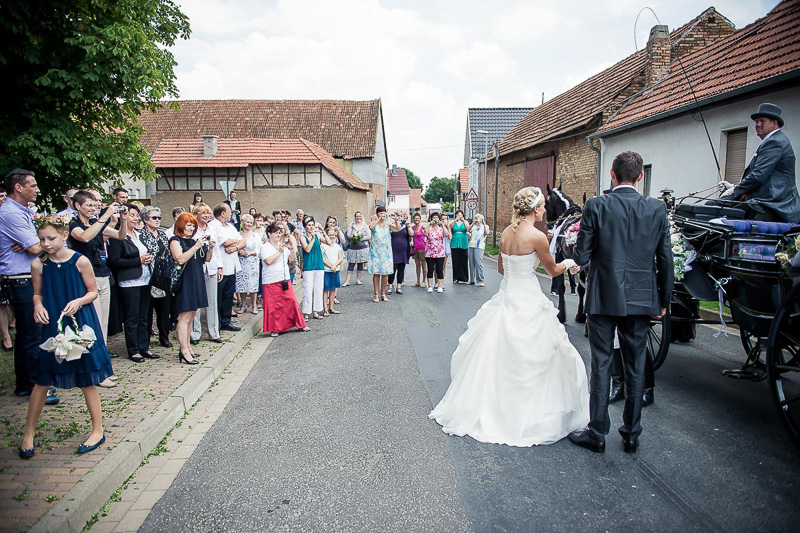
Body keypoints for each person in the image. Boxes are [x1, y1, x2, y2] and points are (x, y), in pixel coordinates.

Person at [429, 186, 588, 446]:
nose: (546, 210)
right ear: (535, 209)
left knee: (497, 353)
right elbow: (553, 271)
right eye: (543, 206)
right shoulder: (538, 236)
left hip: (507, 296)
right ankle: (524, 412)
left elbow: (502, 269)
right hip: (527, 298)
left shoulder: (505, 233)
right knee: (535, 354)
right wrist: (570, 264)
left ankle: (492, 404)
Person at [570, 151, 673, 454]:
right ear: (640, 177)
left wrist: (580, 251)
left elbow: (582, 256)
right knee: (636, 363)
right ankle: (631, 433)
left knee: (601, 363)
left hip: (603, 296)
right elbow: (665, 259)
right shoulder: (657, 209)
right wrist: (663, 299)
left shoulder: (596, 206)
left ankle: (597, 432)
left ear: (612, 175)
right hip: (642, 297)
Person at [19, 215, 114, 458]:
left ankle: (97, 429)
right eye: (41, 239)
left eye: (51, 238)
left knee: (86, 377)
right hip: (54, 324)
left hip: (79, 322)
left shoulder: (80, 261)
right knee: (43, 379)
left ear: (63, 235)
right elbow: (38, 294)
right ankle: (28, 432)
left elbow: (93, 292)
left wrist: (79, 301)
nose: (46, 243)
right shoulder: (39, 264)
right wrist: (37, 306)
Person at [0, 169, 59, 405]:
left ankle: (24, 384)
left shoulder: (25, 211)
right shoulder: (10, 213)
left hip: (25, 275)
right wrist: (36, 243)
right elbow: (37, 247)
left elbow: (38, 241)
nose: (37, 189)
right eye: (32, 186)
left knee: (26, 334)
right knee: (33, 333)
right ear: (18, 188)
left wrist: (34, 240)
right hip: (20, 277)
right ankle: (37, 385)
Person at [69, 190, 128, 384]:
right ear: (78, 206)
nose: (94, 209)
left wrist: (124, 219)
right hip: (86, 279)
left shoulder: (97, 223)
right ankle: (93, 371)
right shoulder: (74, 225)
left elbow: (120, 235)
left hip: (103, 275)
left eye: (95, 206)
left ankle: (103, 368)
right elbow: (85, 238)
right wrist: (105, 216)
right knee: (91, 324)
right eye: (90, 206)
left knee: (102, 324)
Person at [718, 103, 800, 223]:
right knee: (715, 206)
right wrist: (734, 185)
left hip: (775, 204)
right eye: (756, 121)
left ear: (774, 123)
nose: (758, 124)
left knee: (713, 208)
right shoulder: (773, 141)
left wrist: (735, 190)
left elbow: (758, 175)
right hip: (767, 200)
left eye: (762, 121)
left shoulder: (775, 142)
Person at [108, 204, 158, 363]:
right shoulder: (118, 236)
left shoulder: (139, 234)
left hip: (145, 279)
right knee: (132, 317)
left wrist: (147, 259)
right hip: (130, 281)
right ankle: (133, 349)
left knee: (144, 316)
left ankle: (144, 347)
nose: (136, 218)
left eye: (137, 215)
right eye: (132, 215)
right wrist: (139, 260)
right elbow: (115, 261)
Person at [170, 213, 212, 364]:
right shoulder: (175, 240)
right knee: (184, 316)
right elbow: (180, 259)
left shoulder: (194, 241)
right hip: (184, 281)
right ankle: (183, 350)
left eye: (193, 226)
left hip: (196, 279)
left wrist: (210, 248)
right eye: (188, 225)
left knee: (192, 316)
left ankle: (188, 346)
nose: (191, 228)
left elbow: (205, 259)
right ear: (181, 225)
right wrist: (196, 246)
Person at [260, 223, 308, 337]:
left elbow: (292, 259)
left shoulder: (281, 245)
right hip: (271, 281)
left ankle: (300, 324)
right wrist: (280, 251)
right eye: (275, 233)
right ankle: (275, 328)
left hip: (284, 279)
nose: (278, 235)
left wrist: (291, 248)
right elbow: (269, 261)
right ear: (269, 234)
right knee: (274, 306)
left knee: (291, 301)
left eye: (279, 233)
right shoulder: (265, 247)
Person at [139, 206, 173, 349]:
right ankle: (145, 339)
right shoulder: (141, 235)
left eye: (159, 217)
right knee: (147, 311)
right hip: (148, 276)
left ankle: (164, 337)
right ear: (146, 220)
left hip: (163, 276)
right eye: (154, 218)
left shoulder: (163, 234)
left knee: (164, 310)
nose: (158, 220)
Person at [190, 203, 223, 345]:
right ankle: (195, 334)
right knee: (196, 302)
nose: (207, 215)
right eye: (203, 213)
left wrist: (220, 267)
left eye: (209, 213)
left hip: (211, 266)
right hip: (197, 268)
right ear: (196, 214)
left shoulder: (213, 228)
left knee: (212, 301)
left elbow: (217, 249)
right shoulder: (192, 228)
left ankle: (213, 332)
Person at [210, 203, 245, 332]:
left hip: (232, 265)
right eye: (230, 211)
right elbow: (225, 242)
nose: (232, 213)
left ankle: (226, 320)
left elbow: (243, 241)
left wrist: (235, 245)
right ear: (223, 213)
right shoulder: (214, 226)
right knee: (219, 295)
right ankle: (217, 322)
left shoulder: (230, 226)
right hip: (221, 266)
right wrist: (236, 241)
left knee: (228, 295)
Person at [296, 216, 330, 320]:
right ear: (305, 227)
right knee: (308, 290)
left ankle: (316, 311)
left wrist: (323, 232)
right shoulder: (303, 237)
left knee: (318, 289)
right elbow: (307, 249)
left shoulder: (318, 236)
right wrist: (312, 238)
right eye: (309, 225)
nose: (311, 227)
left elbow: (329, 243)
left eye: (312, 225)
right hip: (309, 267)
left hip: (319, 265)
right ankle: (306, 312)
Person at [235, 214, 261, 314]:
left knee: (252, 284)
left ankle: (254, 305)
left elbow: (259, 249)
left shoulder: (255, 235)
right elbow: (235, 246)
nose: (249, 224)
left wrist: (249, 253)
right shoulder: (238, 234)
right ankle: (243, 305)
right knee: (242, 284)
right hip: (241, 261)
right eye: (247, 222)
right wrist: (240, 252)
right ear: (242, 222)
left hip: (252, 262)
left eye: (251, 222)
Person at [368, 206, 395, 302]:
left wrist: (396, 220)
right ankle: (376, 294)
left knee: (385, 274)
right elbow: (371, 227)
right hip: (376, 253)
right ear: (377, 213)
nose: (383, 214)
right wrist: (379, 218)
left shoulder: (388, 224)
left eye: (384, 212)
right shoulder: (374, 223)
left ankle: (383, 294)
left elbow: (398, 229)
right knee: (376, 274)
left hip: (386, 253)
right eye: (381, 212)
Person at [0, 186, 15, 352]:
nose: (3, 199)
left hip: (10, 264)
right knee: (1, 304)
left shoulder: (11, 215)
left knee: (12, 301)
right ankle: (6, 337)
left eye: (4, 195)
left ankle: (14, 322)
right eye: (0, 196)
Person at [424, 212, 450, 294]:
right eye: (433, 217)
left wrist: (442, 225)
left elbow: (446, 234)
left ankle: (439, 286)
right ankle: (430, 286)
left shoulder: (441, 228)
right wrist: (429, 225)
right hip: (430, 252)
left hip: (440, 252)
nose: (435, 219)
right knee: (430, 269)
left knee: (439, 269)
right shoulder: (429, 228)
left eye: (436, 217)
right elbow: (425, 233)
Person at [387, 211, 412, 295]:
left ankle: (399, 287)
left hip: (403, 251)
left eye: (401, 216)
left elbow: (412, 234)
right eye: (398, 216)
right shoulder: (391, 226)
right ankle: (390, 287)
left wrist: (408, 226)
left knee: (401, 269)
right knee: (392, 270)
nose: (399, 218)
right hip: (393, 250)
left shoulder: (405, 226)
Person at [343, 211, 370, 286]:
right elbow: (348, 235)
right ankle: (347, 281)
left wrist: (360, 238)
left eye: (359, 216)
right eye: (357, 216)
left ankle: (358, 279)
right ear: (355, 217)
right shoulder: (351, 225)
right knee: (351, 264)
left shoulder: (365, 226)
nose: (358, 218)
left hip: (362, 248)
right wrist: (353, 236)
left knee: (360, 264)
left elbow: (369, 236)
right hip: (352, 248)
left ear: (362, 217)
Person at [321, 226, 343, 315]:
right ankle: (325, 309)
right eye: (329, 235)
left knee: (333, 289)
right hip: (327, 270)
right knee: (326, 289)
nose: (332, 237)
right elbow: (322, 259)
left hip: (335, 270)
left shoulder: (337, 246)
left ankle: (331, 307)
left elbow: (340, 258)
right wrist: (330, 266)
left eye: (333, 235)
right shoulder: (323, 246)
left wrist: (335, 265)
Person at [449, 210, 470, 284]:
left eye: (461, 215)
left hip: (463, 242)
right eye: (458, 214)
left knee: (463, 260)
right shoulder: (453, 222)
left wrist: (463, 221)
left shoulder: (465, 222)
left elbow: (468, 229)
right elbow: (450, 227)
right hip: (454, 242)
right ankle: (456, 278)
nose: (459, 216)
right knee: (455, 261)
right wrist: (455, 220)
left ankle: (464, 278)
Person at [468, 213, 487, 287]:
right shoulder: (474, 226)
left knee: (478, 263)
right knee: (471, 263)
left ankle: (480, 280)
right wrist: (473, 222)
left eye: (479, 218)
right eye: (476, 218)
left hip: (479, 247)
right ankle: (472, 280)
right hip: (471, 246)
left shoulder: (484, 227)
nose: (477, 220)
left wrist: (483, 222)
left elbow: (487, 232)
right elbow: (468, 230)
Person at [409, 212, 427, 287]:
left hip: (422, 248)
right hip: (415, 248)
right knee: (417, 265)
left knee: (424, 265)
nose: (416, 220)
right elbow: (410, 237)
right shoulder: (412, 227)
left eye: (418, 219)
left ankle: (424, 281)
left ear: (420, 219)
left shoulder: (423, 227)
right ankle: (418, 281)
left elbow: (427, 235)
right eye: (415, 218)